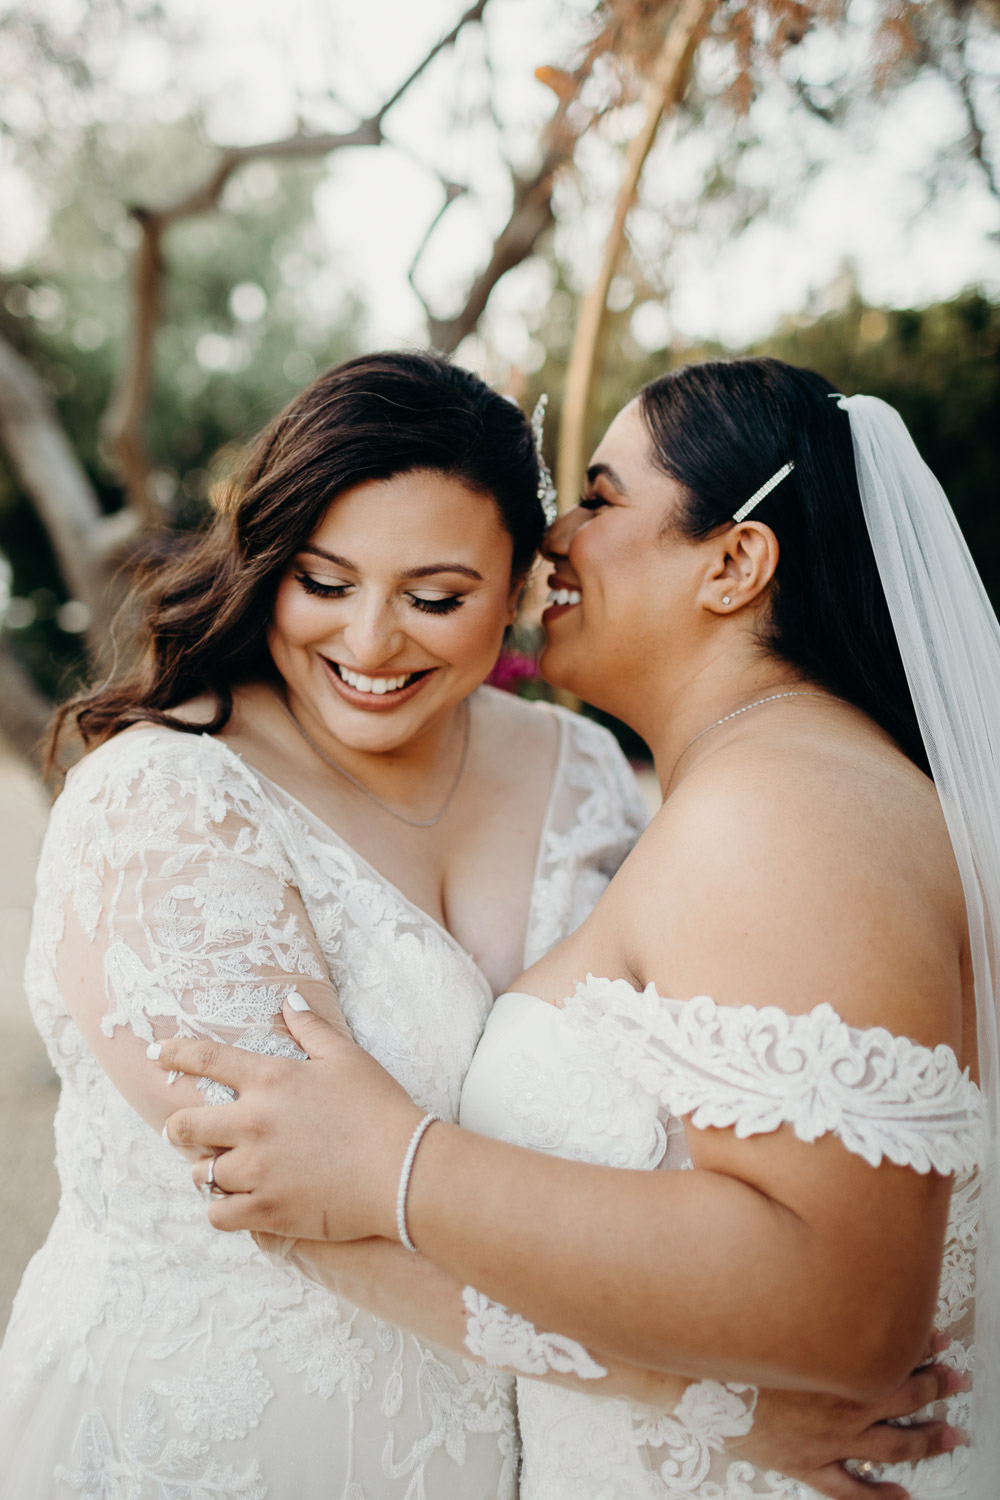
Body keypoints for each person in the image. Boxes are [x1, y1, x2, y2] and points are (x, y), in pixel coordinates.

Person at [155, 357, 992, 1500]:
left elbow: (845, 1304)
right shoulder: (775, 785)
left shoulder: (782, 812)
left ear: (735, 563)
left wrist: (396, 1162)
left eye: (599, 498)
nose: (553, 540)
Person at [0, 351, 660, 1498]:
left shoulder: (584, 769)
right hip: (216, 1441)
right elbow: (294, 1205)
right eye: (323, 581)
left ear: (519, 586)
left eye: (434, 598)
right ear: (268, 564)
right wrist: (688, 1386)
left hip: (515, 1456)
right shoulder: (169, 796)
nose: (368, 642)